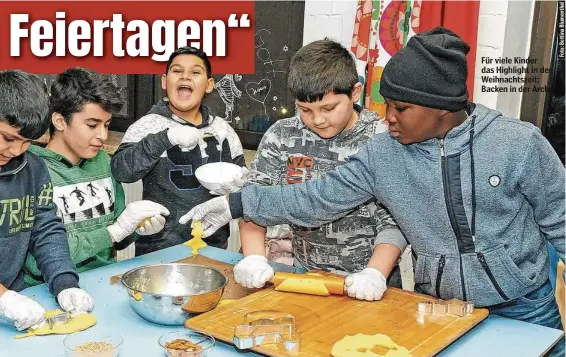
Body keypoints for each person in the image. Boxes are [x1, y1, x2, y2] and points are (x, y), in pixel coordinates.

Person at [180, 27, 565, 356]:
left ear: (441, 108)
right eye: (386, 105)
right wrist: (238, 201)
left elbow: (562, 222)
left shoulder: (519, 144)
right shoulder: (384, 152)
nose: (388, 118)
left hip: (524, 305)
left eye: (400, 108)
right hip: (437, 305)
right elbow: (315, 199)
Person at [234, 39, 405, 299]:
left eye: (329, 108)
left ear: (355, 92)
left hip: (372, 281)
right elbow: (255, 202)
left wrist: (375, 274)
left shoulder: (381, 139)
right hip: (305, 278)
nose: (318, 119)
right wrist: (254, 257)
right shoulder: (283, 136)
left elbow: (396, 220)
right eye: (305, 109)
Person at [0, 70, 93, 331]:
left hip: (12, 308)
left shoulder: (33, 167)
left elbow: (45, 229)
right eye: (9, 138)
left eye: (27, 142)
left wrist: (65, 282)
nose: (16, 151)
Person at [23, 67, 170, 287]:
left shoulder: (102, 162)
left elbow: (117, 239)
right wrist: (114, 231)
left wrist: (138, 229)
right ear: (60, 121)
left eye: (107, 125)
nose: (102, 136)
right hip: (48, 290)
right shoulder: (30, 171)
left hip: (105, 283)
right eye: (92, 125)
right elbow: (37, 260)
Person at [111, 46, 246, 256]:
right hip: (156, 251)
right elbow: (121, 171)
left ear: (209, 85)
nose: (185, 76)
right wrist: (165, 138)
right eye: (177, 71)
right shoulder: (146, 126)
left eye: (195, 72)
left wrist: (238, 186)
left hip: (214, 249)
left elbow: (241, 186)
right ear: (164, 81)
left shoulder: (223, 131)